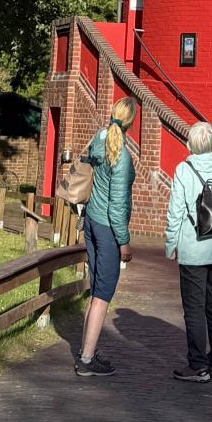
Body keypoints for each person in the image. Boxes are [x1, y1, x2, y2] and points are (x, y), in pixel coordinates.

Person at [164, 120, 212, 384]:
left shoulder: (183, 170)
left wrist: (171, 245)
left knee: (194, 308)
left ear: (189, 145)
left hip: (194, 250)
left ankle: (197, 366)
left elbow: (175, 213)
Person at [74, 96, 137, 377]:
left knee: (96, 289)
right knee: (103, 294)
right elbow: (118, 204)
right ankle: (87, 360)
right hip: (107, 228)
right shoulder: (121, 156)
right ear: (131, 123)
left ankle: (85, 350)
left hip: (91, 221)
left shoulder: (99, 138)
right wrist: (124, 242)